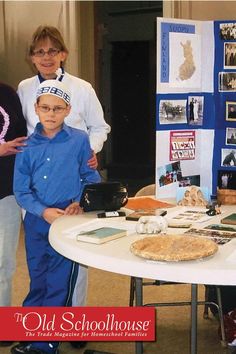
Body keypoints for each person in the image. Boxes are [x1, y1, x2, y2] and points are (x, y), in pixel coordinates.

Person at [17, 25, 110, 349]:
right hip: (38, 186)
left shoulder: (82, 88)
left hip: (73, 181)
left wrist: (90, 154)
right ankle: (40, 329)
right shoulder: (24, 87)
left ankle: (73, 325)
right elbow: (24, 133)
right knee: (40, 267)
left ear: (63, 54)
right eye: (40, 52)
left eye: (52, 51)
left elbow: (99, 126)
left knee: (73, 267)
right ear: (32, 57)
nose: (46, 57)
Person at [0, 82, 27, 347]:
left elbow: (22, 139)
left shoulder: (8, 93)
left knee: (4, 264)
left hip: (5, 191)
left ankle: (4, 324)